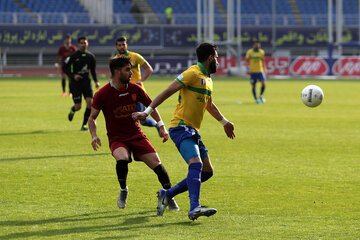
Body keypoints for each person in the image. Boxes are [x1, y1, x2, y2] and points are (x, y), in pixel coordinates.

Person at [132, 43, 235, 221]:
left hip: (192, 129)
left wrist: (224, 122)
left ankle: (167, 194)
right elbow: (167, 91)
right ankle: (194, 207)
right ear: (210, 57)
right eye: (217, 57)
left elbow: (208, 104)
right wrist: (147, 112)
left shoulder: (208, 79)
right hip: (180, 127)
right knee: (196, 165)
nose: (218, 61)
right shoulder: (192, 73)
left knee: (207, 172)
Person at [88, 56, 179, 211]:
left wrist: (161, 125)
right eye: (128, 69)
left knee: (157, 164)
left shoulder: (136, 89)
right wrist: (94, 135)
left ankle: (169, 196)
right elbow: (92, 118)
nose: (132, 73)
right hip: (117, 138)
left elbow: (152, 107)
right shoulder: (102, 94)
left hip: (136, 135)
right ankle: (124, 190)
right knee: (122, 158)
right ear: (117, 72)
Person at [114, 36, 160, 136]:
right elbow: (113, 77)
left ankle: (157, 125)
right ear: (116, 47)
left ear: (127, 45)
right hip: (123, 93)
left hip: (137, 92)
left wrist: (141, 81)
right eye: (119, 45)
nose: (122, 47)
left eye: (123, 44)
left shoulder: (135, 56)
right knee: (125, 117)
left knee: (141, 120)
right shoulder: (115, 60)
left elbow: (149, 69)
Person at [63, 36, 100, 131]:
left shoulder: (91, 57)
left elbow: (93, 70)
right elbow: (64, 67)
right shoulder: (73, 56)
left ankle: (84, 125)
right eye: (81, 43)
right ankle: (73, 109)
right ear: (78, 44)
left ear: (88, 44)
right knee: (78, 106)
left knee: (90, 103)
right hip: (75, 84)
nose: (83, 44)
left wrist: (96, 81)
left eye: (85, 42)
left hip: (86, 83)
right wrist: (73, 75)